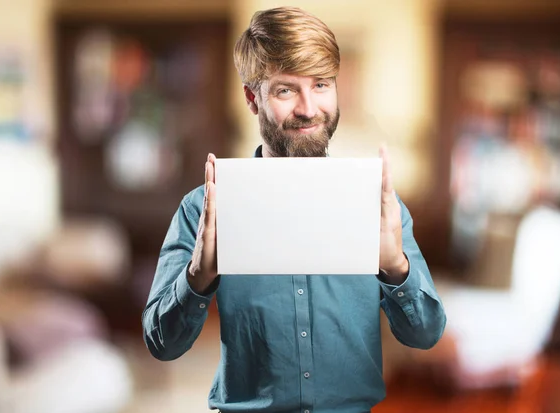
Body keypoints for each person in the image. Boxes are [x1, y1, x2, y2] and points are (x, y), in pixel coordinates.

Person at [143, 6, 446, 412]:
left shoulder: (378, 205)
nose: (308, 108)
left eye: (321, 85)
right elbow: (161, 345)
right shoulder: (204, 208)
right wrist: (198, 277)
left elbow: (425, 335)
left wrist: (396, 268)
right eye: (286, 90)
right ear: (253, 98)